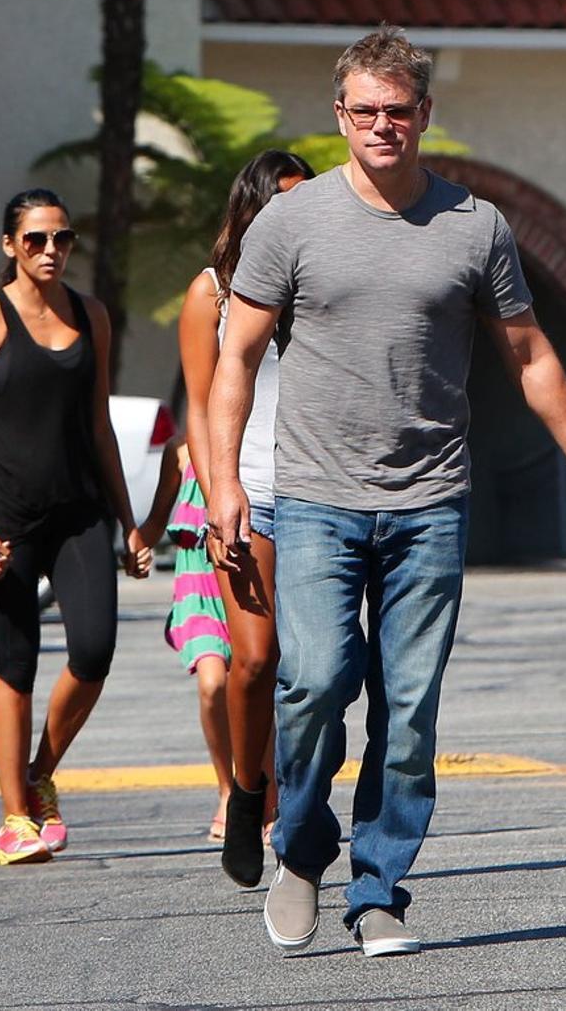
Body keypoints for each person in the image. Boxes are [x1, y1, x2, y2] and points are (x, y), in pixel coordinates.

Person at [207, 26, 566, 957]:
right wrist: (224, 481)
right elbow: (233, 355)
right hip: (315, 498)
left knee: (408, 709)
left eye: (399, 110)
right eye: (365, 111)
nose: (383, 125)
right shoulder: (291, 222)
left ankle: (380, 888)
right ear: (340, 115)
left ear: (425, 113)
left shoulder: (474, 226)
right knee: (311, 682)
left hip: (430, 502)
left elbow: (531, 355)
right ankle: (303, 847)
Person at [0, 188, 150, 866]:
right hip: (9, 517)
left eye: (61, 239)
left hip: (79, 512)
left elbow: (99, 425)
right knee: (16, 663)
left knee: (93, 651)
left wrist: (130, 522)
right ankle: (14, 819)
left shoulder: (90, 315)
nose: (49, 251)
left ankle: (41, 773)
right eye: (35, 239)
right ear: (9, 245)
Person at [177, 150, 314, 885]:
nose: (295, 217)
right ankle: (244, 790)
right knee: (255, 660)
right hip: (248, 494)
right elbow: (200, 405)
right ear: (252, 209)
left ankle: (294, 802)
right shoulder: (213, 294)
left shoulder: (323, 281)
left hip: (325, 494)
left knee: (316, 667)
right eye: (281, 203)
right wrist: (215, 491)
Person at [138, 435, 235, 841]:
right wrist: (138, 542)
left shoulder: (254, 439)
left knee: (258, 689)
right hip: (198, 588)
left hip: (247, 582)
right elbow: (159, 515)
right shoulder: (179, 452)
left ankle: (267, 795)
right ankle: (228, 790)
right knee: (213, 685)